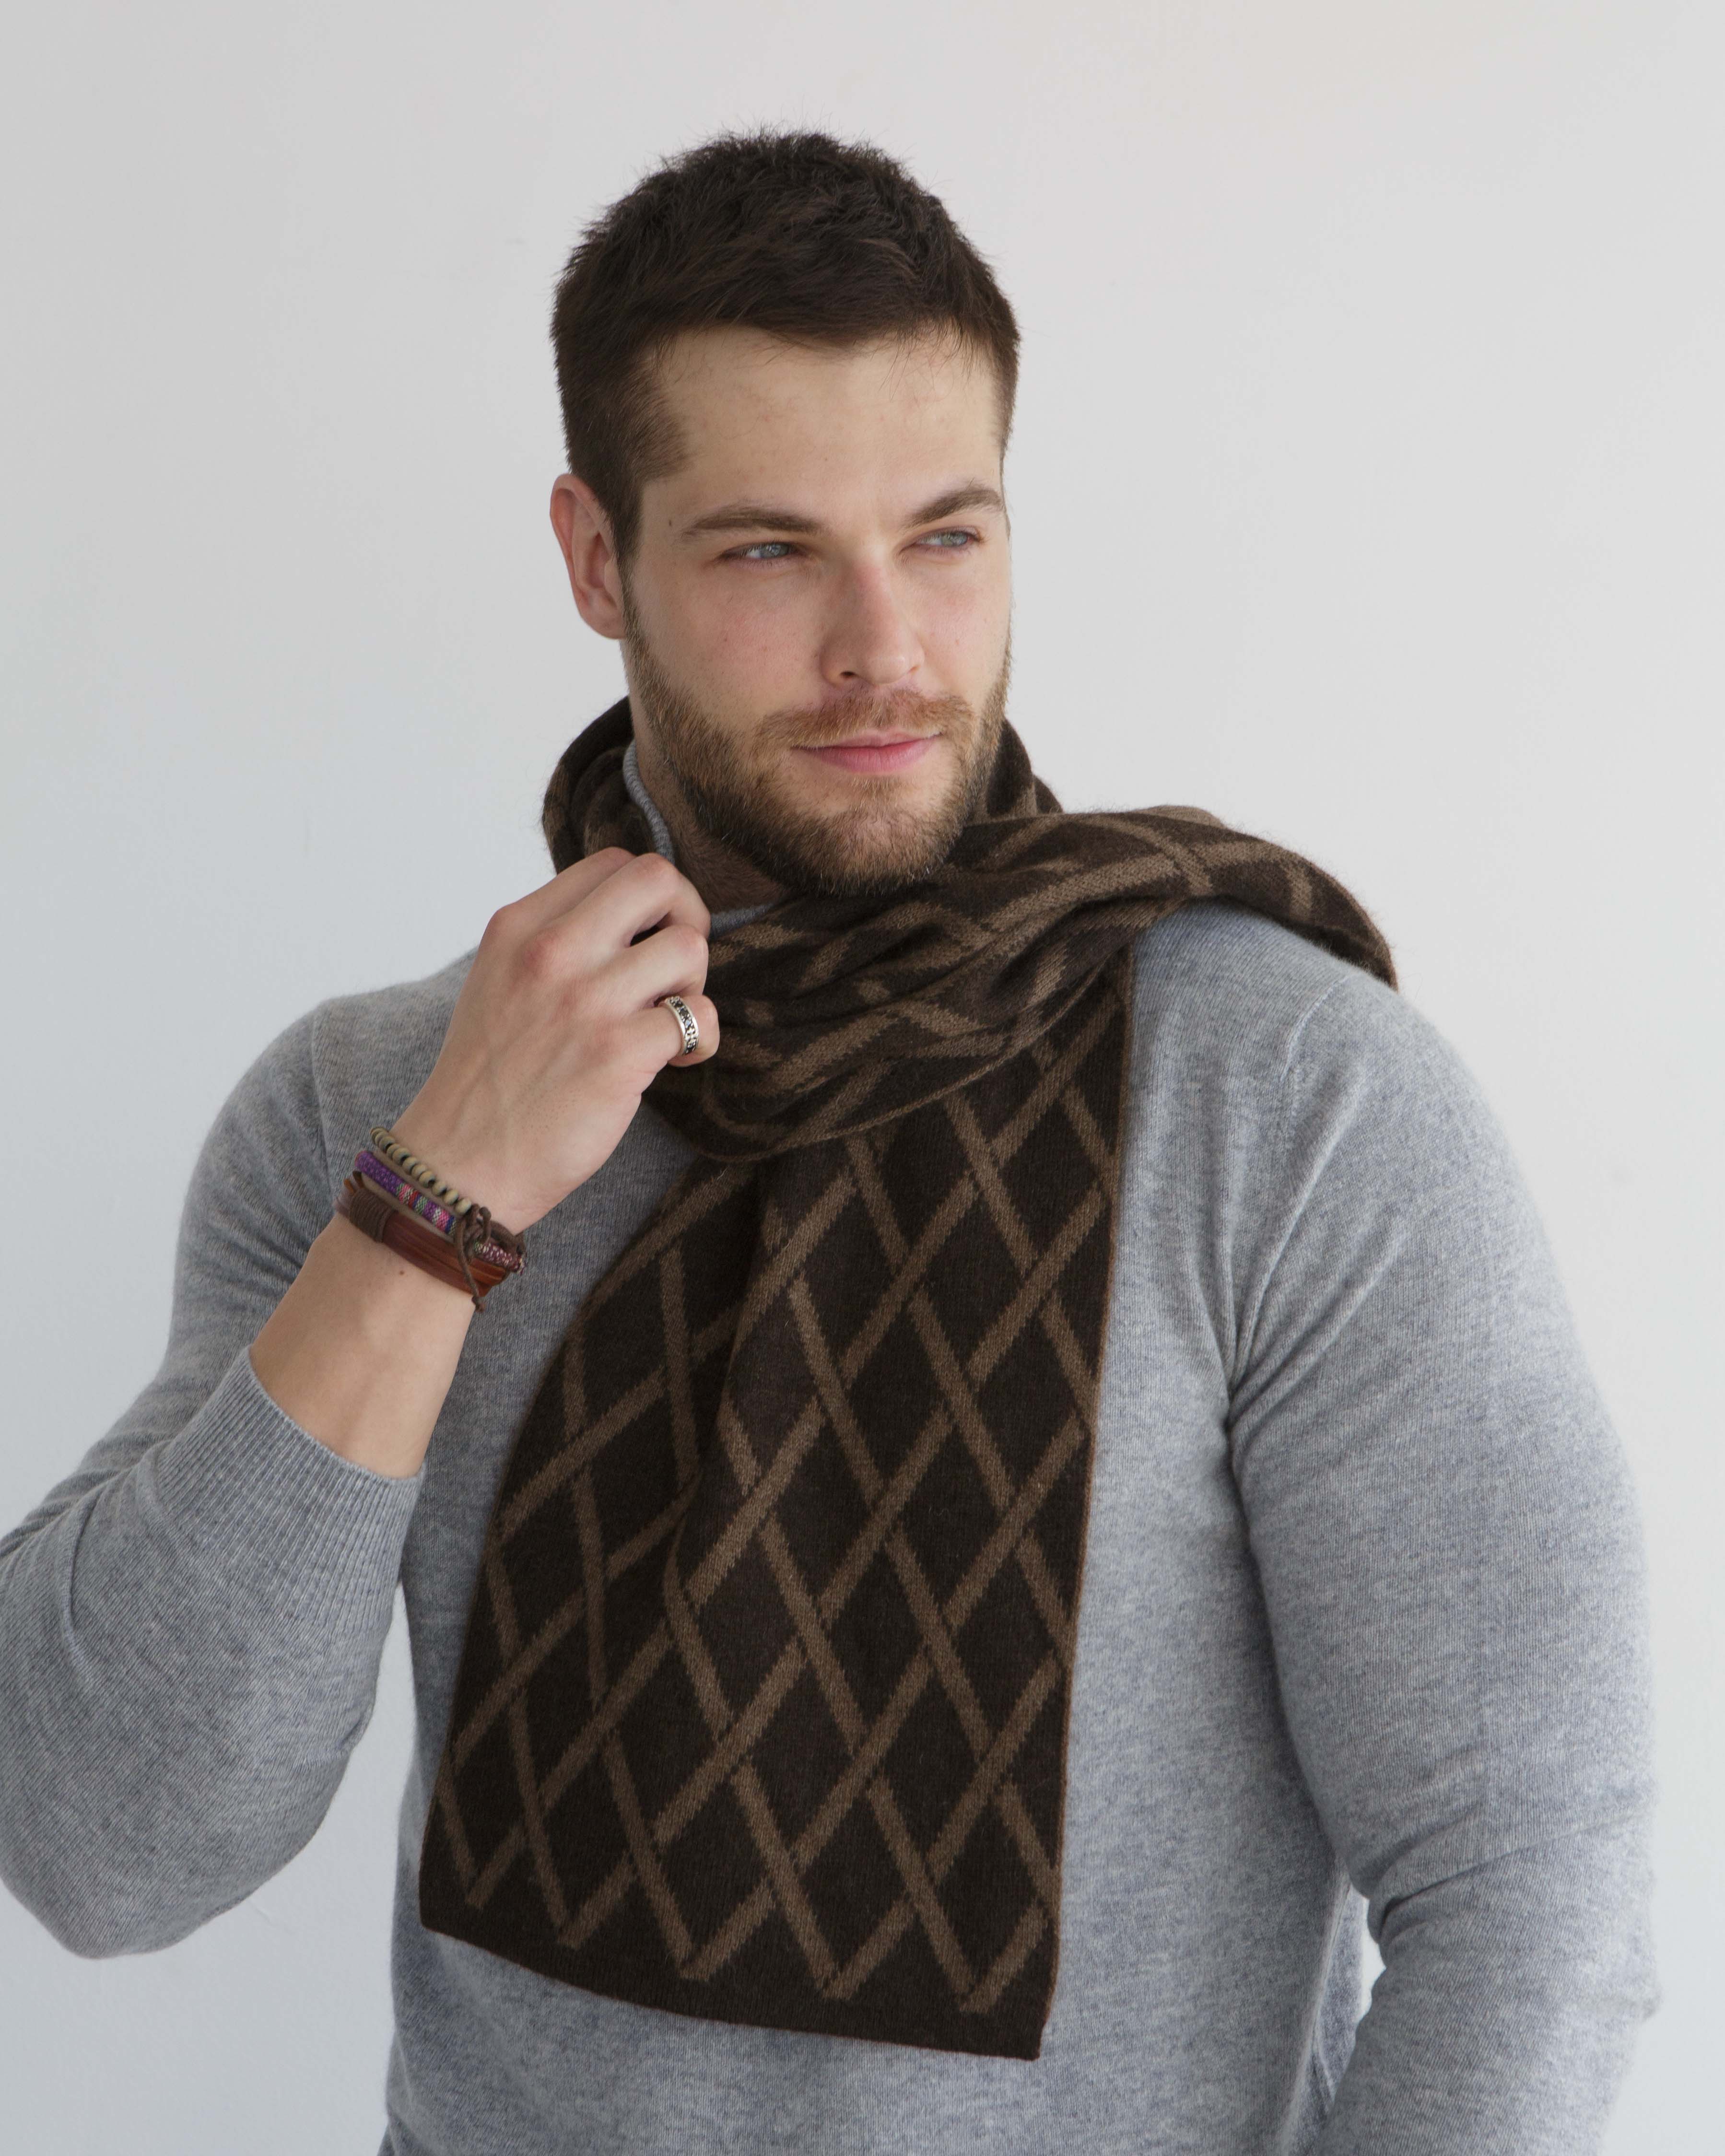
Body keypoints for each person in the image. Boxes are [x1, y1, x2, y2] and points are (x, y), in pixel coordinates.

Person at [0, 130, 1656, 2154]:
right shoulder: (378, 1112)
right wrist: (433, 1218)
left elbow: (1533, 1896)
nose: (888, 649)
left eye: (946, 537)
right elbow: (103, 1842)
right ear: (596, 560)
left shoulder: (1285, 1099)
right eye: (771, 553)